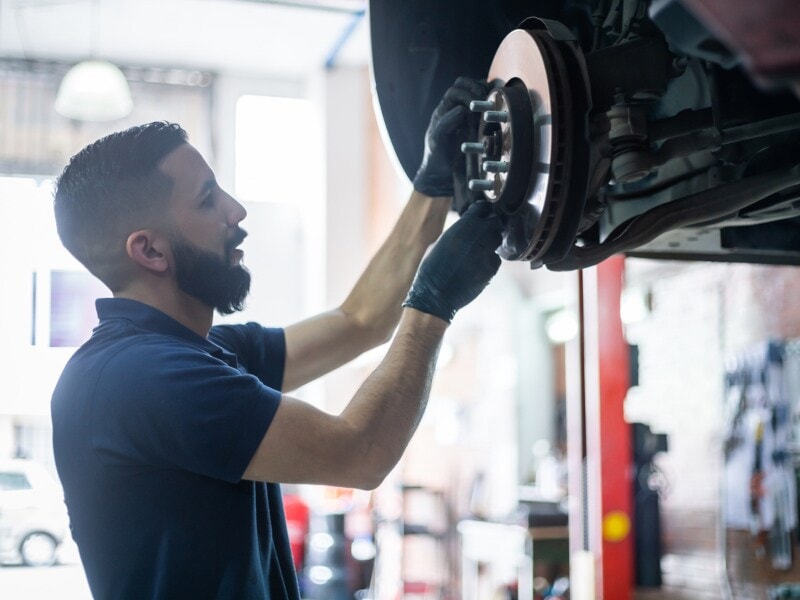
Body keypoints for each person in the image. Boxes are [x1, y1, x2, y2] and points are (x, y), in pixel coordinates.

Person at [50, 77, 502, 599]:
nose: (236, 211)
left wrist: (431, 185)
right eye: (207, 201)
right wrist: (433, 304)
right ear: (150, 251)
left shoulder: (200, 354)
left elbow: (360, 321)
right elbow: (360, 453)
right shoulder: (141, 379)